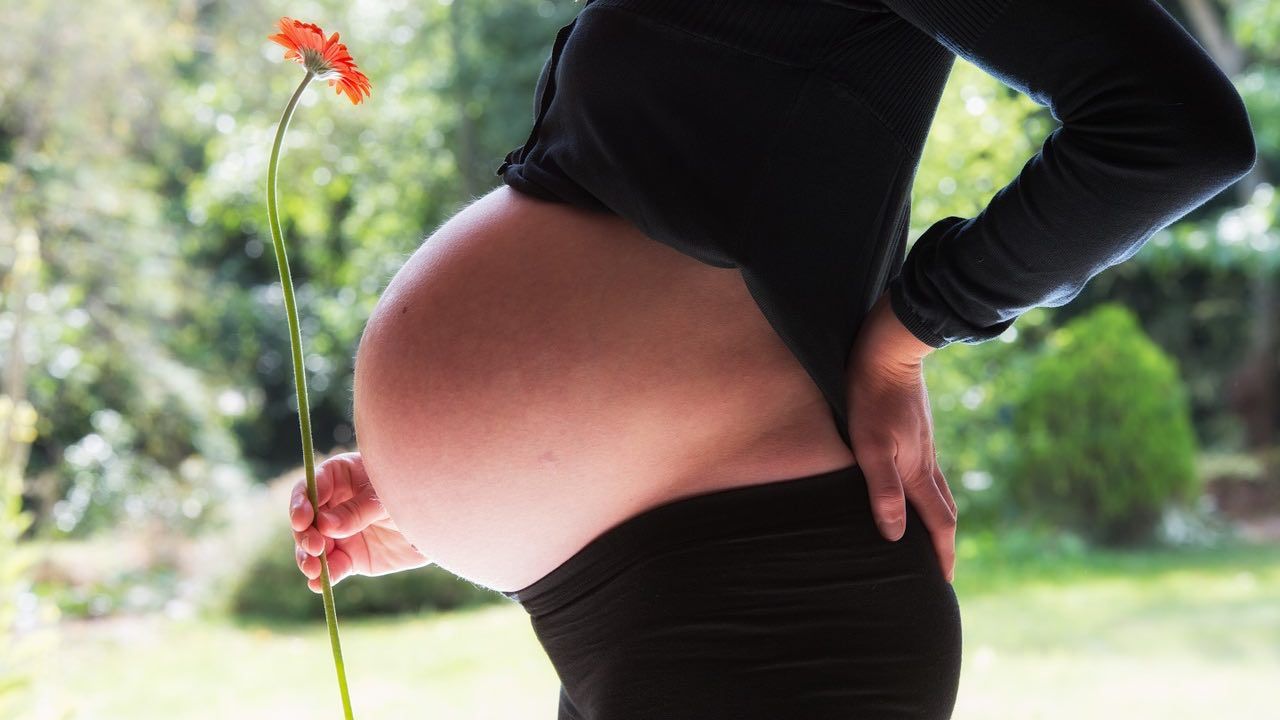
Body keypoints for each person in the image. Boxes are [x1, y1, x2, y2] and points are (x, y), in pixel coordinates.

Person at [289, 0, 1256, 716]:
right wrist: (447, 501)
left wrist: (911, 329)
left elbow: (1170, 131)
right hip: (651, 586)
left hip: (765, 604)